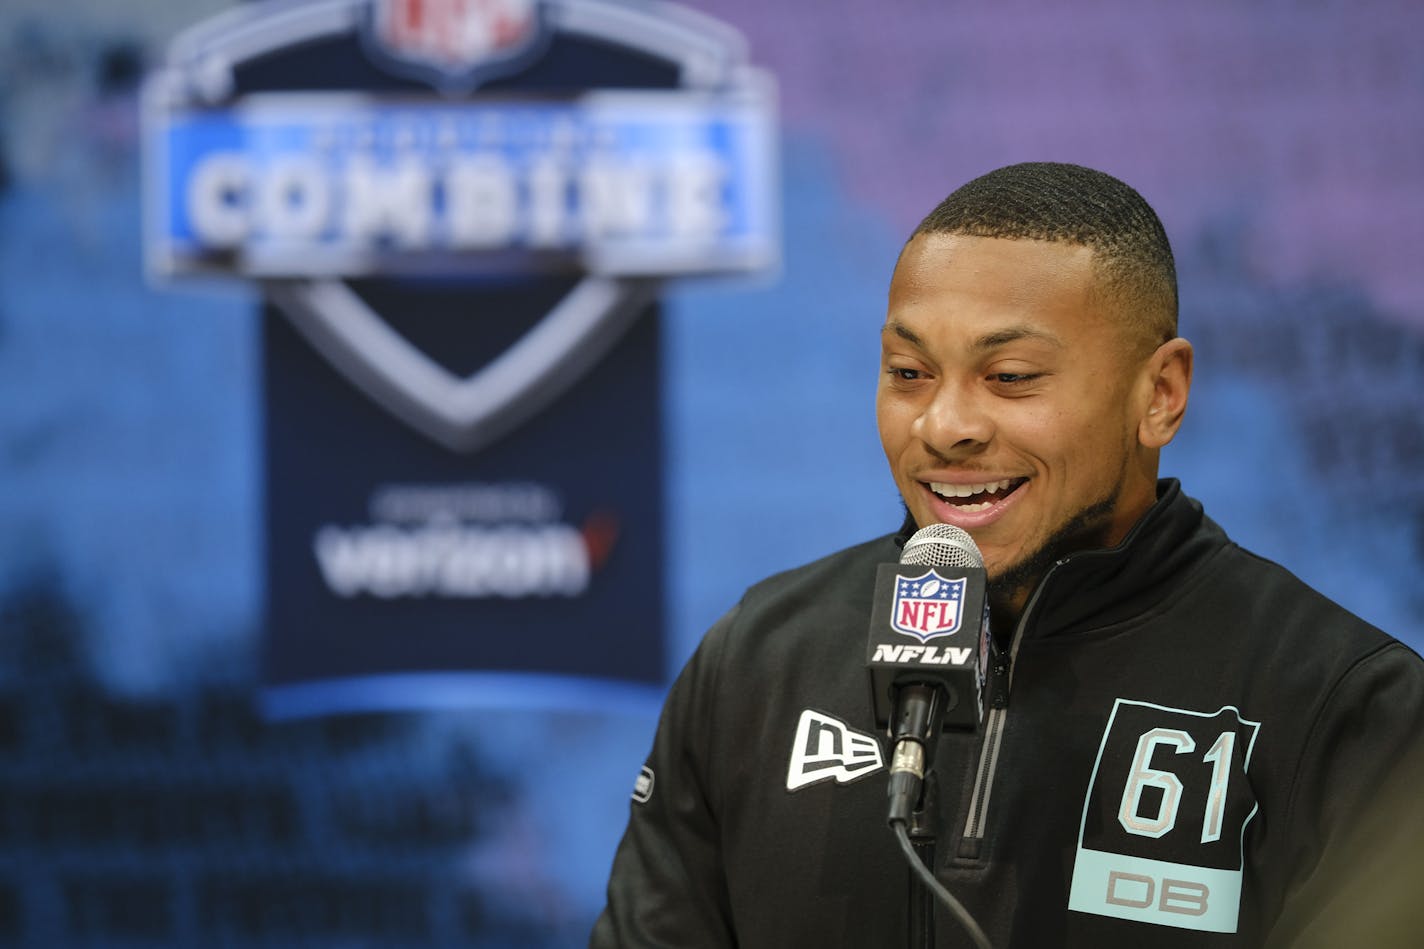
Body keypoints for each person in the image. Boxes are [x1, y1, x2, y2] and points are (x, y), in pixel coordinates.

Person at [589, 162, 1424, 948]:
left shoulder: (1351, 707)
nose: (945, 425)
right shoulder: (758, 661)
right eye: (909, 371)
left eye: (1012, 375)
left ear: (1160, 394)